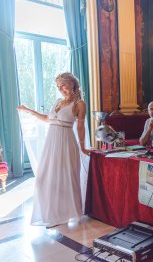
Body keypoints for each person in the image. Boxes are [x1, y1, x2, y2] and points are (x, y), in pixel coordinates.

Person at [17, 72, 91, 228]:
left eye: (63, 84)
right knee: (44, 178)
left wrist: (83, 147)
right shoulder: (58, 101)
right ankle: (55, 214)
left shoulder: (80, 104)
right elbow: (47, 119)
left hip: (66, 142)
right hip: (51, 143)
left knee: (66, 178)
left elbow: (80, 128)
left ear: (72, 83)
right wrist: (29, 110)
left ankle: (64, 216)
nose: (60, 89)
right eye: (58, 86)